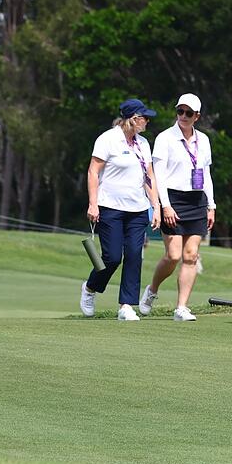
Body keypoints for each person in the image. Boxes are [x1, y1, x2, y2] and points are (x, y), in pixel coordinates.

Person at [80, 98, 161, 321]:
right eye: (144, 118)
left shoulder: (144, 143)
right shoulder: (108, 139)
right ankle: (89, 288)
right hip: (110, 207)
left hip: (137, 209)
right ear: (133, 119)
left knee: (135, 255)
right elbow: (93, 172)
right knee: (113, 257)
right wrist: (93, 203)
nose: (147, 122)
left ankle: (126, 305)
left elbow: (149, 177)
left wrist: (156, 206)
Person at [140, 93, 215, 321]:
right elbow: (158, 176)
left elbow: (207, 174)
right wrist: (165, 206)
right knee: (173, 255)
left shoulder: (203, 140)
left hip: (197, 200)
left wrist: (211, 205)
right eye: (180, 111)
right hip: (172, 198)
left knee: (191, 255)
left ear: (197, 116)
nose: (183, 116)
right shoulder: (165, 138)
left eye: (188, 113)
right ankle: (152, 289)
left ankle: (181, 307)